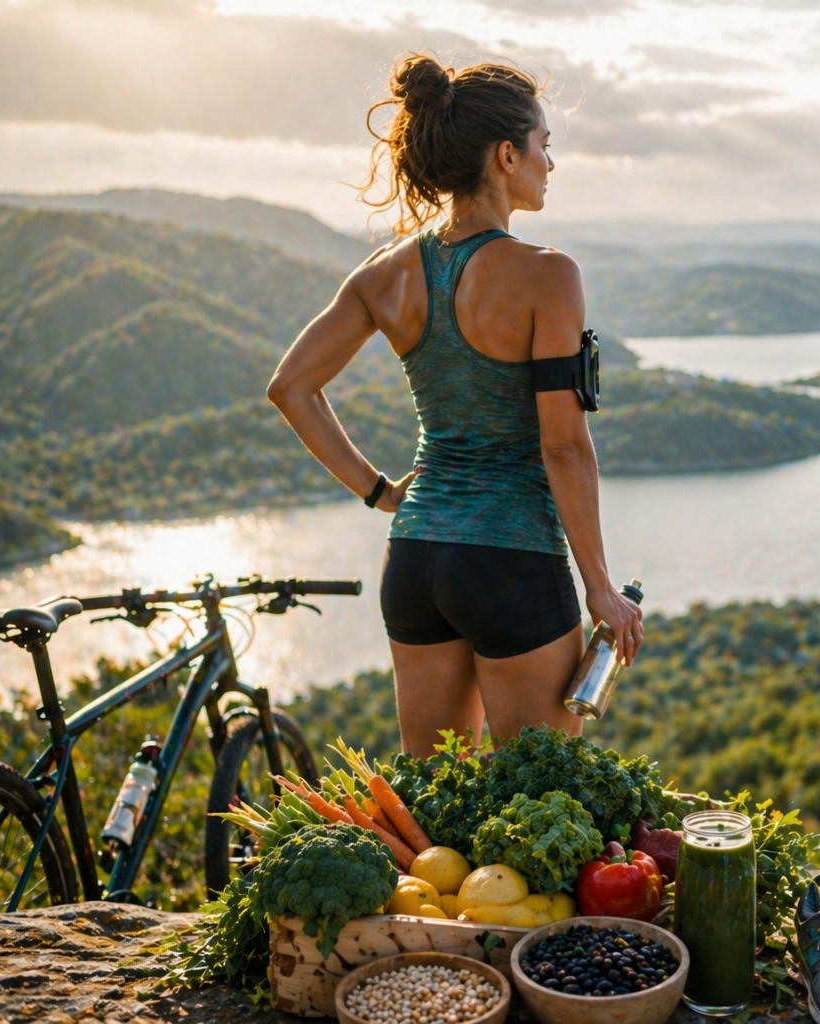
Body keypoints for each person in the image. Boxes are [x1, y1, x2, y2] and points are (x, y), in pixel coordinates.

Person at [267, 54, 642, 754]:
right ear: (507, 155)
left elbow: (291, 387)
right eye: (544, 146)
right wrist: (601, 588)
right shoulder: (547, 275)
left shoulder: (384, 274)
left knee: (436, 798)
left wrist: (381, 492)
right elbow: (562, 445)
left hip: (415, 557)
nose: (550, 165)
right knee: (541, 793)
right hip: (512, 559)